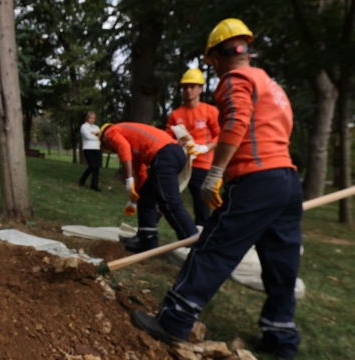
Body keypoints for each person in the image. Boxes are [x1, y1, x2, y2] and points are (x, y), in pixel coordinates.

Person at [130, 18, 303, 360]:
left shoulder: (234, 79)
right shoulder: (271, 84)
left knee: (213, 248)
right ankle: (280, 336)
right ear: (246, 48)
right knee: (281, 260)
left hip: (256, 180)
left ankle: (174, 320)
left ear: (214, 58)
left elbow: (237, 122)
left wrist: (216, 173)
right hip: (287, 180)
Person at [99, 122, 198, 254]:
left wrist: (128, 179)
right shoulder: (129, 136)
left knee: (169, 204)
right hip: (172, 153)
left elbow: (122, 146)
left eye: (111, 149)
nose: (114, 150)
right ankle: (147, 241)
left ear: (105, 141)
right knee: (145, 198)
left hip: (164, 155)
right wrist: (134, 198)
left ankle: (195, 244)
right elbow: (140, 172)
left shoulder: (109, 132)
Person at [166, 69, 220, 226]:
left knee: (201, 205)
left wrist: (204, 148)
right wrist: (176, 144)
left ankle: (200, 239)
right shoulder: (176, 114)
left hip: (201, 164)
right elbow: (167, 137)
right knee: (166, 196)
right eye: (185, 87)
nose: (188, 90)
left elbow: (221, 136)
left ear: (200, 88)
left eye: (192, 86)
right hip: (180, 163)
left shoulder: (210, 111)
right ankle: (148, 231)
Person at [79, 111, 102, 192]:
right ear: (87, 118)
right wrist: (97, 135)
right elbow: (88, 137)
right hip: (88, 148)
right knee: (92, 166)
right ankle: (82, 179)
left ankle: (94, 185)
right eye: (91, 118)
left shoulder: (96, 127)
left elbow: (101, 136)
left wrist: (96, 134)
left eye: (94, 118)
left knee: (97, 167)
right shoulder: (84, 127)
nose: (92, 120)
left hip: (97, 148)